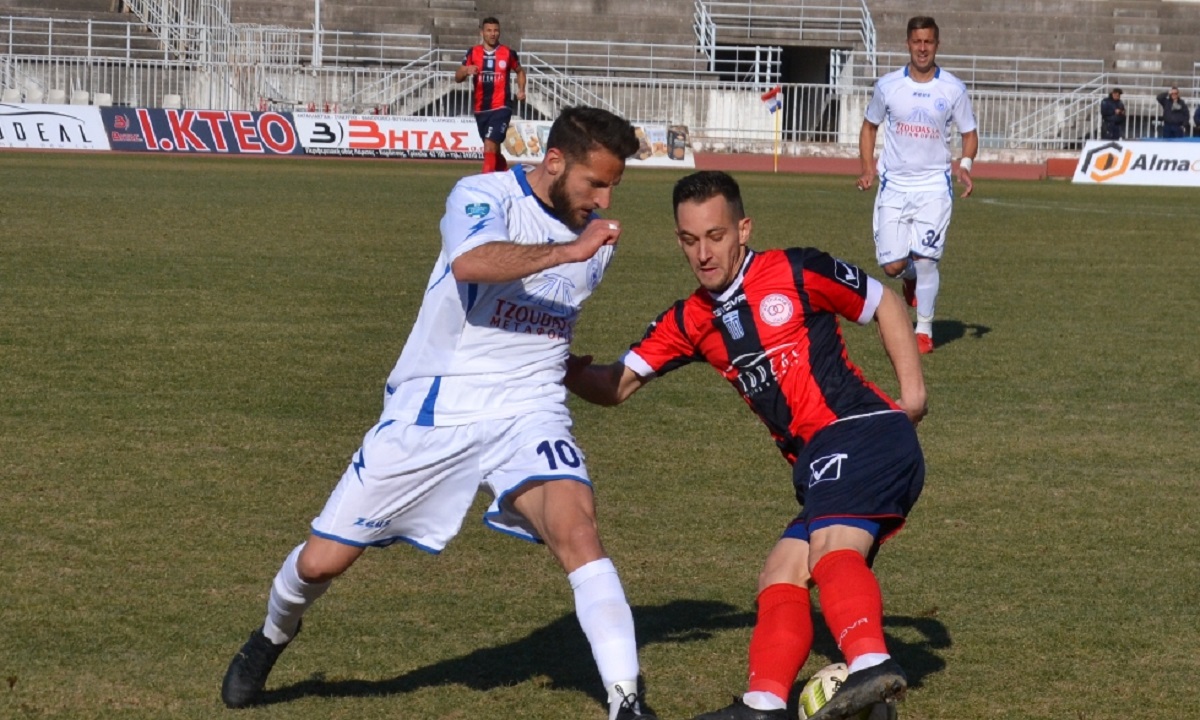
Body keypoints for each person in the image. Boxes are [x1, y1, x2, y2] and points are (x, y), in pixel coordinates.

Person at [220, 106, 657, 720]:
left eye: (613, 186)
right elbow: (472, 262)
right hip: (436, 407)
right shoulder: (482, 194)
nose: (604, 200)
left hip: (528, 412)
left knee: (578, 531)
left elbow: (548, 326)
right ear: (555, 162)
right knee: (321, 563)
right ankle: (271, 635)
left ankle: (625, 700)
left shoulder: (595, 239)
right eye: (596, 183)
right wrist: (566, 252)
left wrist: (573, 363)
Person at [566, 170, 928, 720]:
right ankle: (763, 705)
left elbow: (883, 302)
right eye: (690, 240)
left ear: (743, 229)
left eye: (715, 236)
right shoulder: (690, 320)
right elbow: (615, 386)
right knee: (781, 572)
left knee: (833, 549)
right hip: (821, 458)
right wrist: (562, 367)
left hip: (862, 431)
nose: (703, 254)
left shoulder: (797, 269)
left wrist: (913, 394)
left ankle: (871, 662)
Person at [856, 15, 978, 355]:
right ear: (908, 44)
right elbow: (869, 127)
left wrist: (965, 166)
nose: (922, 48)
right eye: (917, 41)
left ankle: (924, 331)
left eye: (928, 42)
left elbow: (969, 133)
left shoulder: (952, 88)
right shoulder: (888, 86)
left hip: (934, 186)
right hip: (894, 185)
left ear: (937, 45)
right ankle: (909, 276)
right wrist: (867, 168)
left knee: (927, 259)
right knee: (892, 266)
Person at [455, 16, 527, 173]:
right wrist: (466, 70)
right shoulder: (473, 52)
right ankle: (505, 175)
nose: (493, 34)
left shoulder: (508, 53)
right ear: (482, 32)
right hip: (481, 109)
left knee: (489, 145)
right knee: (493, 150)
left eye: (496, 30)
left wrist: (521, 89)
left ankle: (485, 182)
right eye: (489, 30)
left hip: (501, 106)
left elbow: (520, 71)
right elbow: (457, 77)